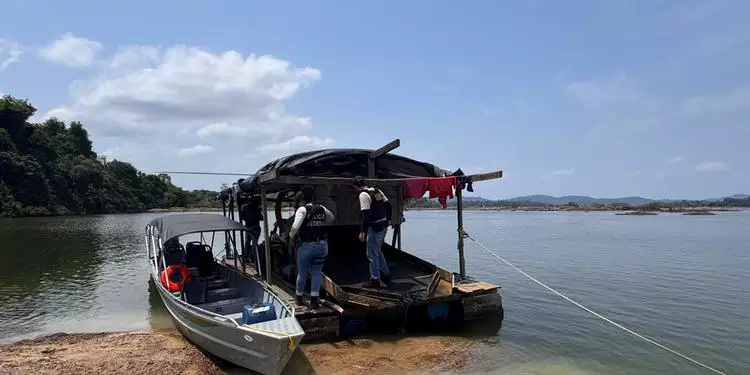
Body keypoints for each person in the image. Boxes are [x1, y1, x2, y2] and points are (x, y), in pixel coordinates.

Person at [289, 186, 335, 309]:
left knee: (302, 273)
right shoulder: (321, 208)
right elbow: (331, 217)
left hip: (307, 246)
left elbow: (295, 227)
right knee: (316, 273)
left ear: (302, 200)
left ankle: (299, 298)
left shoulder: (302, 210)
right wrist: (319, 223)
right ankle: (314, 301)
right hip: (322, 245)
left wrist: (290, 237)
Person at [353, 176, 392, 288]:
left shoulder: (363, 195)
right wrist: (388, 220)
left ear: (356, 186)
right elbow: (388, 205)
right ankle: (386, 274)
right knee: (378, 251)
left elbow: (366, 215)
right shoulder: (376, 191)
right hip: (383, 226)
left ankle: (375, 280)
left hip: (374, 228)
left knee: (371, 254)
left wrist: (362, 231)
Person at [239, 195, 263, 265]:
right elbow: (262, 218)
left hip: (247, 227)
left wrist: (247, 219)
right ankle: (253, 259)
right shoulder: (257, 209)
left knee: (247, 243)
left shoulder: (245, 207)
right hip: (255, 227)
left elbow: (242, 217)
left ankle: (245, 258)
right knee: (255, 244)